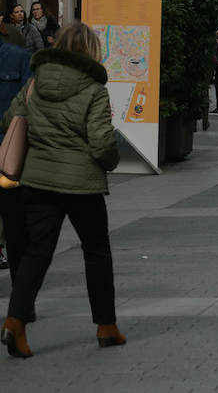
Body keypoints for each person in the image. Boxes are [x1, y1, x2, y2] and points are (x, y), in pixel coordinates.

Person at [0, 20, 124, 358]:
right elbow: (100, 143)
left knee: (35, 253)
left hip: (38, 181)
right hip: (82, 185)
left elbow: (10, 119)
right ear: (92, 51)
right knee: (96, 251)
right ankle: (106, 326)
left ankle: (15, 321)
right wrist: (112, 160)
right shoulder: (94, 89)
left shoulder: (36, 81)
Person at [0, 31, 31, 276]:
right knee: (15, 226)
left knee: (15, 226)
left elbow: (26, 109)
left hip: (8, 158)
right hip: (10, 158)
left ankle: (22, 295)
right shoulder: (21, 58)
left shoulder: (19, 58)